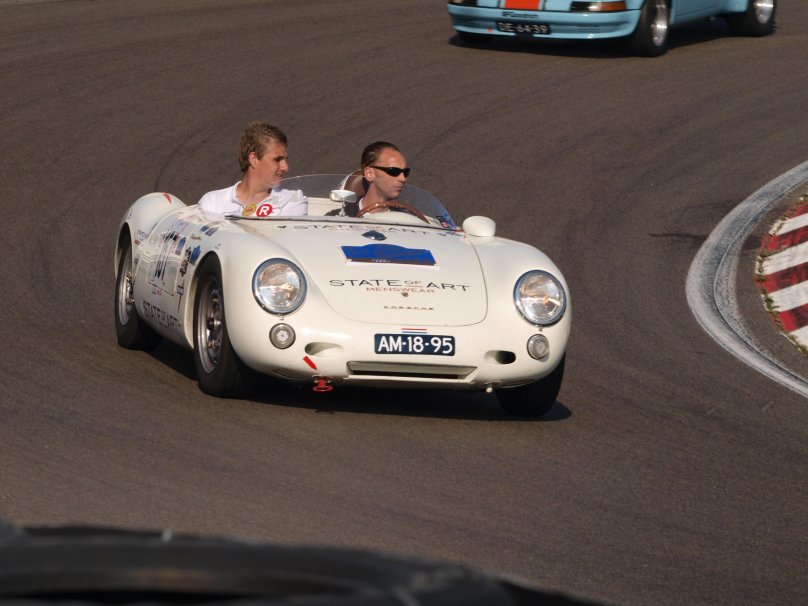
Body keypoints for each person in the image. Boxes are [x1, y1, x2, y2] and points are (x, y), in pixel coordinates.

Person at [198, 123, 307, 217]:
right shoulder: (212, 202)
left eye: (285, 159)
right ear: (253, 159)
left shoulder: (293, 200)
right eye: (277, 159)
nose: (285, 167)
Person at [331, 141, 410, 217]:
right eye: (394, 171)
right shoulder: (337, 219)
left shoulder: (409, 220)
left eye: (406, 172)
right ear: (369, 173)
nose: (403, 179)